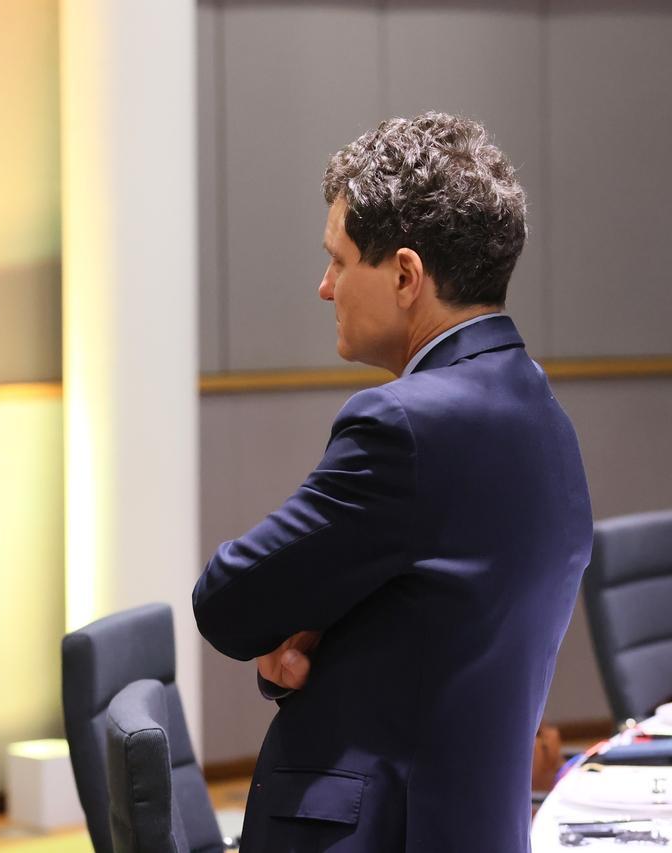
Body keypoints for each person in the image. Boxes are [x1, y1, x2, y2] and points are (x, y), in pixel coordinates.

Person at [192, 112, 592, 852]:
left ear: (406, 275)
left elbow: (227, 601)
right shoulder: (542, 411)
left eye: (339, 262)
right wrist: (312, 630)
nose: (324, 287)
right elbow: (434, 623)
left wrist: (290, 625)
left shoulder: (405, 423)